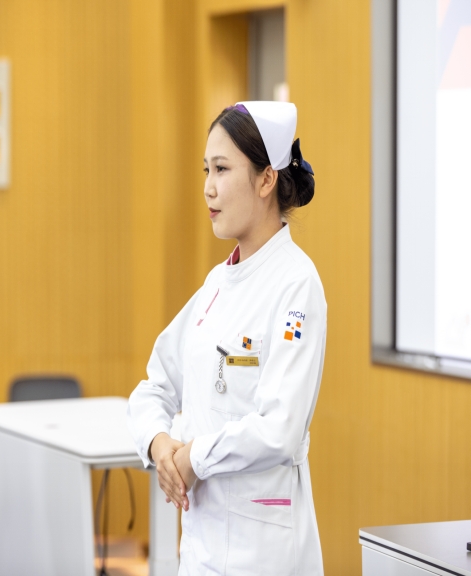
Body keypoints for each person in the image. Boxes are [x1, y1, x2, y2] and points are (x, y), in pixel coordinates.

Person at [127, 101, 327, 576]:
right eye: (206, 170)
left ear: (266, 179)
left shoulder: (296, 284)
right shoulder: (217, 283)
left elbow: (279, 428)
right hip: (201, 545)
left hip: (263, 551)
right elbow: (154, 385)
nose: (208, 187)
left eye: (221, 169)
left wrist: (193, 457)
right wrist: (159, 444)